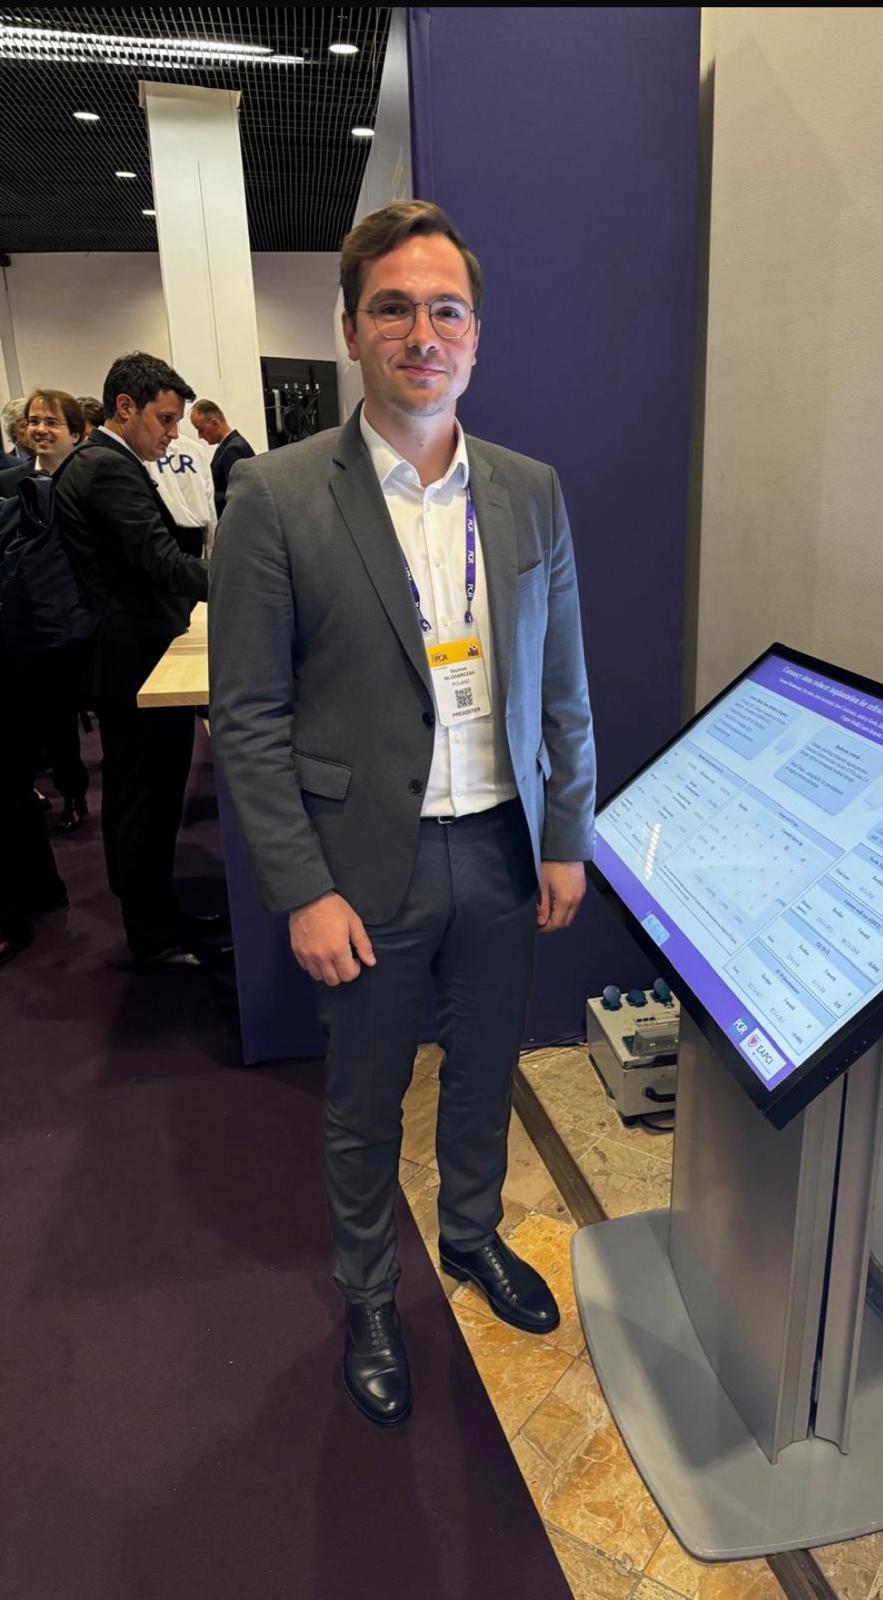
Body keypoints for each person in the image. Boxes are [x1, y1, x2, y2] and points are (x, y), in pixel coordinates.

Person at [209, 200, 596, 1427]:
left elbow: (563, 684)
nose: (420, 333)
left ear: (475, 335)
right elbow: (248, 717)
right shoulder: (275, 496)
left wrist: (566, 834)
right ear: (349, 329)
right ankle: (370, 1295)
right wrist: (300, 888)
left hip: (499, 847)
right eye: (392, 309)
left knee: (485, 1070)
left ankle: (470, 1234)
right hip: (360, 865)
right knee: (364, 1100)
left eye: (445, 311)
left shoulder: (529, 492)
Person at [54, 352, 216, 971]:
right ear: (126, 407)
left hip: (127, 654)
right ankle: (152, 932)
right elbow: (160, 562)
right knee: (145, 799)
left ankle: (159, 913)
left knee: (143, 795)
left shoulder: (99, 462)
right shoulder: (107, 468)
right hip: (131, 660)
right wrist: (248, 580)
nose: (172, 434)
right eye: (165, 419)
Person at [0, 390, 93, 833]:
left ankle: (76, 792)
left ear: (76, 433)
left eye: (51, 422)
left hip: (84, 622)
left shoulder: (90, 483)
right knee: (34, 718)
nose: (39, 429)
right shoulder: (9, 484)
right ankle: (45, 793)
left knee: (67, 718)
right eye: (34, 421)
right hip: (29, 624)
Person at [146, 434, 217, 557]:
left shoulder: (148, 450)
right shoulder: (196, 449)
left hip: (163, 530)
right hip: (193, 532)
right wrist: (211, 548)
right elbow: (209, 499)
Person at [189, 400, 255, 518]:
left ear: (214, 423)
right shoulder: (230, 446)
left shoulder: (233, 450)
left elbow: (238, 496)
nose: (199, 435)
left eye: (200, 429)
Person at [1, 397, 32, 469]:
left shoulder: (55, 456)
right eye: (25, 425)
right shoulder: (5, 466)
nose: (33, 429)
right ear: (12, 432)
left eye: (34, 422)